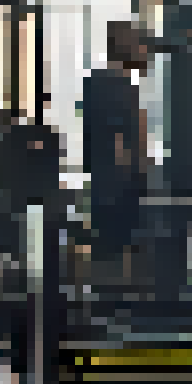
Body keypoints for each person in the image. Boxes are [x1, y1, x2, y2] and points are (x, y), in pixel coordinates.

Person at [81, 21, 153, 267]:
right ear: (128, 47)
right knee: (121, 262)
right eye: (142, 45)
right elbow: (129, 146)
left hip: (103, 188)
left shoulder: (94, 83)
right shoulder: (123, 90)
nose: (147, 52)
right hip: (120, 190)